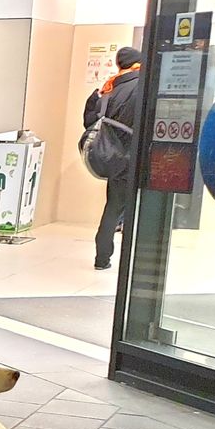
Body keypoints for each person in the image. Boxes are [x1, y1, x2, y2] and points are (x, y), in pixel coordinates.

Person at [83, 46, 143, 271]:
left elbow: (89, 122)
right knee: (140, 208)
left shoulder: (108, 89)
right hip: (137, 156)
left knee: (113, 207)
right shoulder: (142, 86)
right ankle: (135, 263)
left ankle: (102, 258)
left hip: (114, 158)